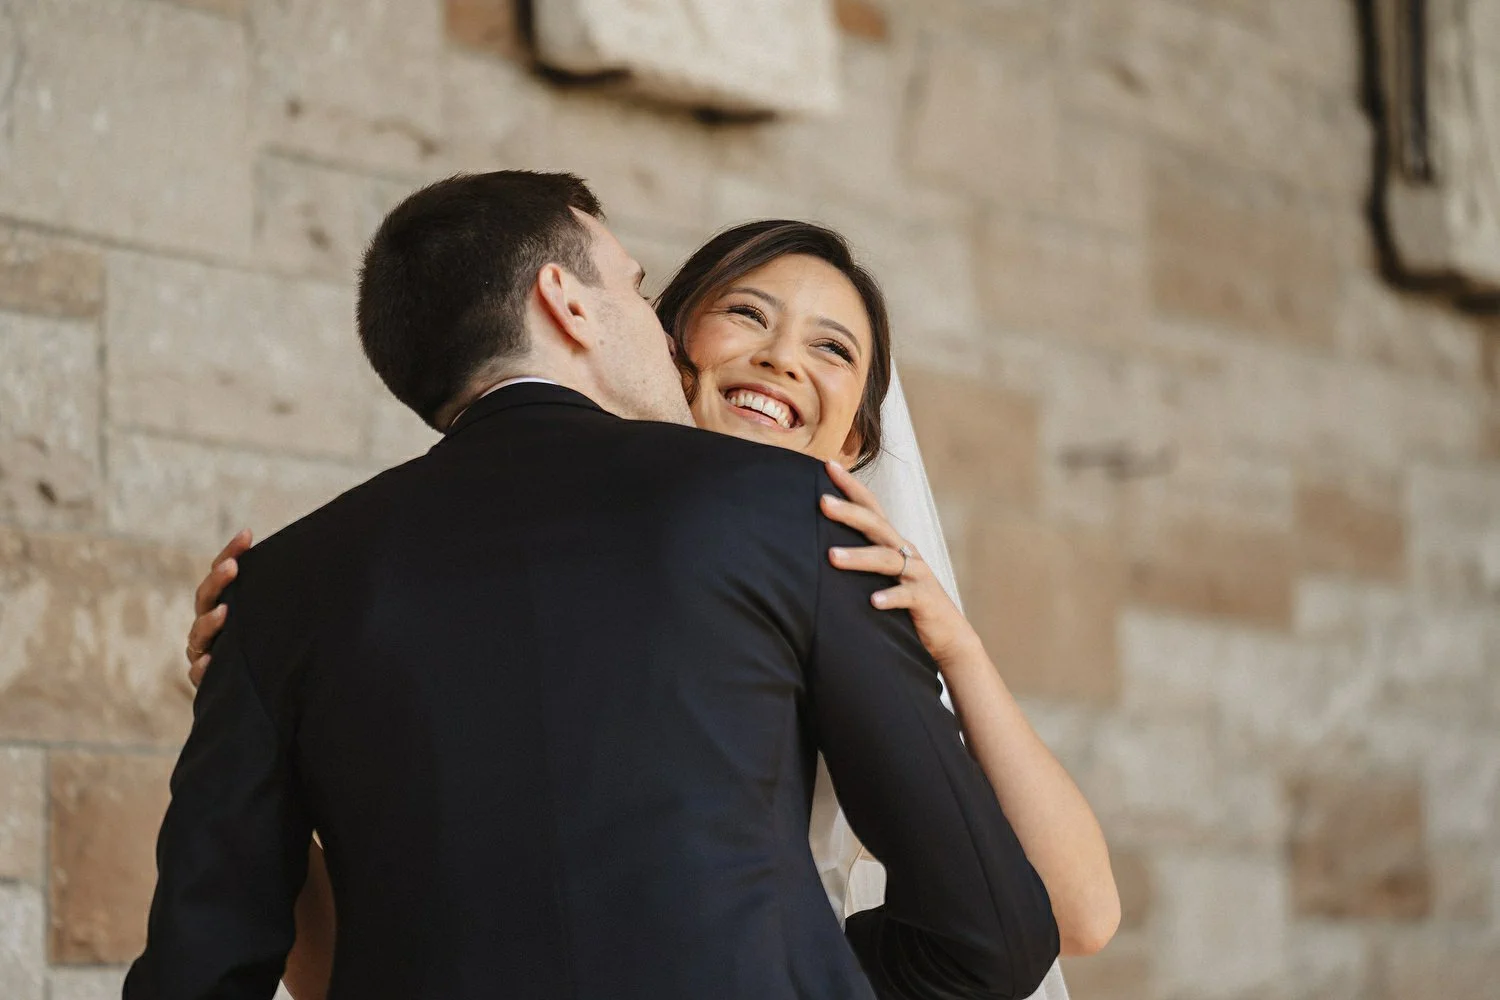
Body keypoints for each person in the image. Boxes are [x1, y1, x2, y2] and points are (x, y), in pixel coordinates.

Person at [128, 171, 1067, 1000]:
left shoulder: (279, 586)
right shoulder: (790, 512)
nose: (654, 325)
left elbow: (200, 971)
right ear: (567, 304)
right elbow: (989, 937)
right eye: (634, 287)